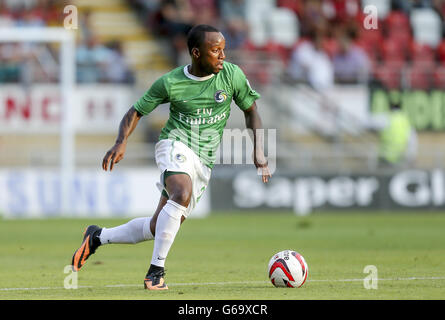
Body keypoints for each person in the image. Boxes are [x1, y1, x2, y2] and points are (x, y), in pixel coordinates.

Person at [71, 24, 272, 290]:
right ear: (197, 53)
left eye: (224, 50)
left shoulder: (232, 76)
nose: (223, 56)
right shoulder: (171, 82)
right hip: (174, 143)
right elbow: (136, 111)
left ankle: (98, 237)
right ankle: (156, 272)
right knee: (181, 192)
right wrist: (121, 142)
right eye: (216, 51)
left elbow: (251, 111)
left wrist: (258, 149)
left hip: (204, 160)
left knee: (158, 226)